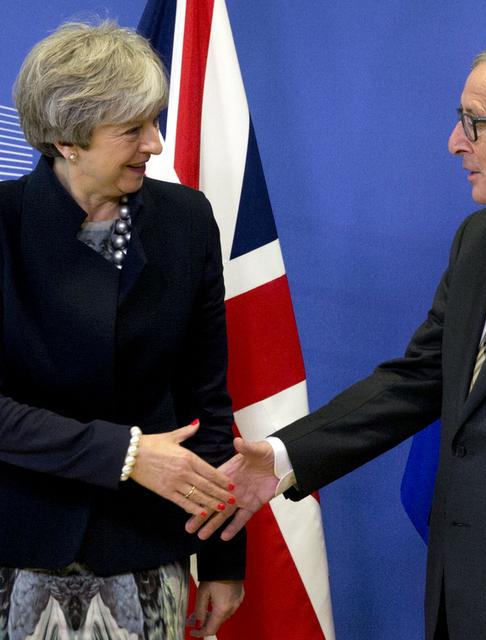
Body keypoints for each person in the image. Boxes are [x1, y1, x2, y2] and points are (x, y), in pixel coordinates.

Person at [192, 37, 486, 640]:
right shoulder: (481, 239)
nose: (455, 142)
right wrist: (283, 457)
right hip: (458, 601)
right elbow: (420, 378)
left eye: (473, 123)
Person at [0, 21, 244, 639]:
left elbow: (207, 402)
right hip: (16, 550)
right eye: (132, 130)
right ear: (66, 139)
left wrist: (221, 559)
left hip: (144, 551)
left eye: (155, 122)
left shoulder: (186, 221)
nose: (156, 145)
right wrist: (126, 455)